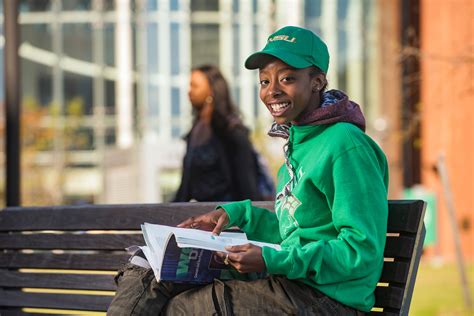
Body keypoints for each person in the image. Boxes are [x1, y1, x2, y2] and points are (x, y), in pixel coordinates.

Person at [108, 26, 388, 315]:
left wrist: (272, 261)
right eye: (264, 81)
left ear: (317, 82)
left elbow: (361, 251)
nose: (272, 90)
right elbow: (291, 231)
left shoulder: (346, 144)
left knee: (182, 308)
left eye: (287, 78)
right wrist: (235, 214)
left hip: (328, 299)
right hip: (293, 284)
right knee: (147, 267)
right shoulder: (298, 144)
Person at [173, 64, 262, 202]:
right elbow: (186, 186)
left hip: (228, 217)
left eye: (194, 86)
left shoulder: (232, 132)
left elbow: (247, 185)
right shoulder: (196, 130)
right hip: (200, 215)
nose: (189, 91)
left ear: (211, 90)